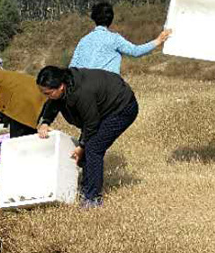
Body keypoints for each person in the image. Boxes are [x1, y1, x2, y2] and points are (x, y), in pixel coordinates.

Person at [35, 65, 139, 208]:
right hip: (102, 107)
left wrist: (82, 145)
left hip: (122, 107)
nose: (46, 96)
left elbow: (91, 123)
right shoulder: (64, 86)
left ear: (61, 86)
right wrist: (45, 122)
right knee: (88, 147)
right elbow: (53, 103)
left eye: (48, 93)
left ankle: (92, 198)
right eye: (43, 92)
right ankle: (86, 187)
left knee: (94, 148)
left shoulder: (82, 92)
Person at [69, 2, 171, 75]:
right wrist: (158, 40)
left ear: (94, 19)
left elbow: (72, 67)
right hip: (108, 89)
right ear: (111, 19)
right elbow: (136, 51)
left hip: (84, 90)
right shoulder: (114, 39)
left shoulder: (83, 41)